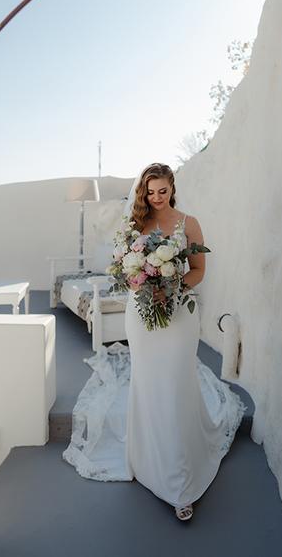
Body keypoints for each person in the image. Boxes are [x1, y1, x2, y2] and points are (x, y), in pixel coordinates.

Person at [62, 162, 246, 521]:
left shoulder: (189, 223)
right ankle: (146, 460)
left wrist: (170, 287)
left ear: (172, 188)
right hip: (142, 317)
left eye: (163, 191)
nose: (157, 198)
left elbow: (198, 270)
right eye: (151, 192)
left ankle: (179, 479)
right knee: (149, 385)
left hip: (178, 316)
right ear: (143, 192)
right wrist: (143, 285)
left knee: (175, 384)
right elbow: (121, 269)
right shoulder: (135, 225)